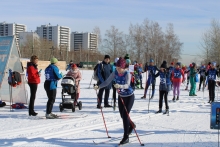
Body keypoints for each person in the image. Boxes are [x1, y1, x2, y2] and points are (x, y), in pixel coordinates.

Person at [94, 57, 135, 145]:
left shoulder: (127, 73)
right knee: (122, 116)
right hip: (121, 97)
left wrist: (120, 86)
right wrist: (99, 86)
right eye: (117, 67)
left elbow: (127, 85)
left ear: (123, 67)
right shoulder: (115, 72)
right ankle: (131, 125)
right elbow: (107, 82)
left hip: (129, 96)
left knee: (125, 115)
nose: (118, 69)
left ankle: (126, 136)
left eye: (119, 68)